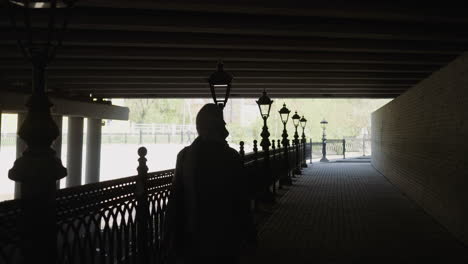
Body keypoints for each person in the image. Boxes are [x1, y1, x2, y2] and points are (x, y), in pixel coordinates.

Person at [165, 103, 255, 264]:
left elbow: (175, 201)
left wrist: (170, 237)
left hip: (192, 237)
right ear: (217, 127)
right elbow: (241, 200)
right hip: (224, 237)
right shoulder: (231, 157)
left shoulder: (185, 156)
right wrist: (249, 234)